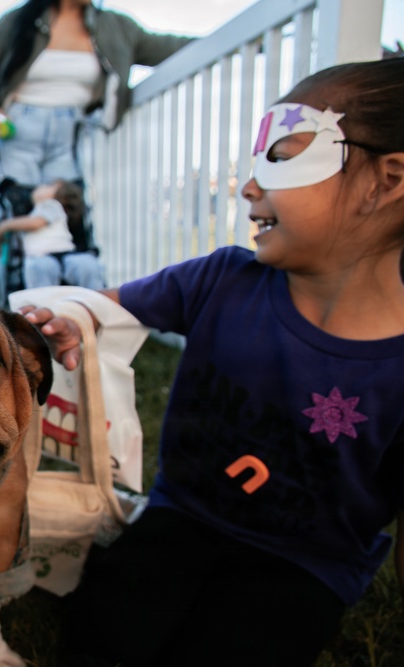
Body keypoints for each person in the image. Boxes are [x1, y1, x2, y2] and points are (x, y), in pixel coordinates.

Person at [20, 58, 404, 666]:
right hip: (185, 513)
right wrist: (73, 320)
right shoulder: (221, 278)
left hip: (306, 562)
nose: (250, 186)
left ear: (386, 180)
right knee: (103, 631)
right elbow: (100, 308)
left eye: (283, 155)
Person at [0, 0, 192, 186]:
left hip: (76, 136)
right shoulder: (19, 19)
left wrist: (225, 35)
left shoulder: (115, 26)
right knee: (16, 215)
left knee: (64, 219)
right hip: (19, 129)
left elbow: (168, 47)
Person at [0, 179, 104, 289]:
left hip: (64, 252)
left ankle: (96, 297)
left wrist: (6, 225)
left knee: (87, 266)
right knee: (39, 268)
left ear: (60, 196)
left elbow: (36, 223)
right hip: (41, 257)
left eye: (49, 185)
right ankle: (44, 303)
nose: (41, 185)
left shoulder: (52, 205)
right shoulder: (34, 212)